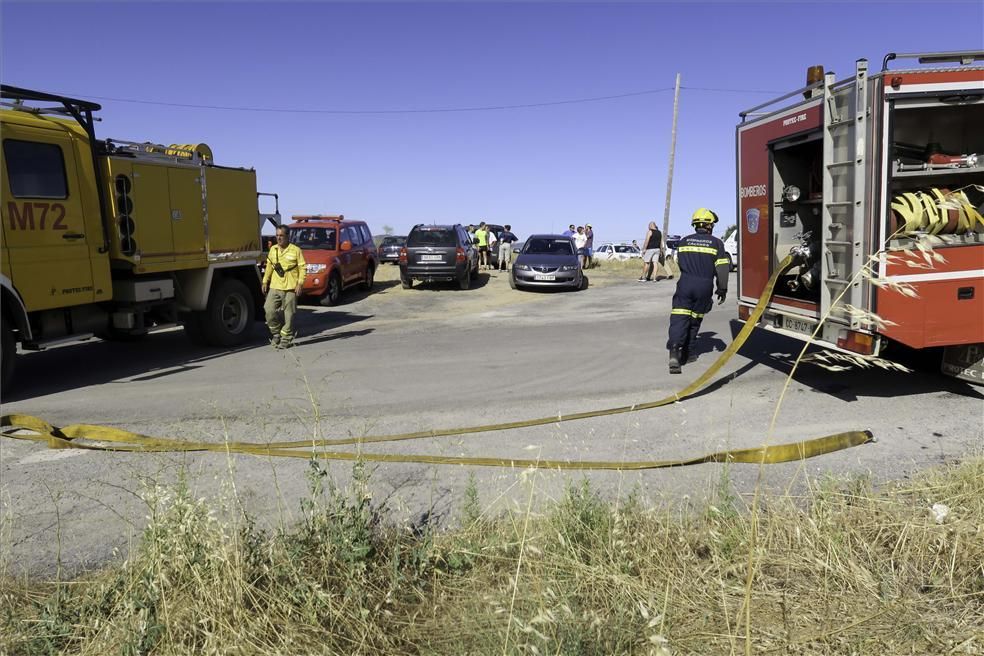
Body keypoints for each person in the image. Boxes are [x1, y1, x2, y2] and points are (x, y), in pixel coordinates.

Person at [666, 208, 730, 374]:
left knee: (679, 318)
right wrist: (722, 288)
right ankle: (689, 353)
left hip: (685, 283)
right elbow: (722, 268)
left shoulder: (684, 242)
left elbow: (680, 263)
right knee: (694, 320)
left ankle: (674, 350)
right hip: (704, 286)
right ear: (709, 226)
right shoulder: (716, 243)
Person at [262, 225, 306, 349]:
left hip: (291, 288)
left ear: (288, 236)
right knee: (268, 310)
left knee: (289, 315)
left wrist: (300, 283)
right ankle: (276, 334)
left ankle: (286, 338)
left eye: (281, 236)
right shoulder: (273, 250)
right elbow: (269, 267)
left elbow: (302, 268)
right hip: (275, 286)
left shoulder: (296, 250)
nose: (279, 238)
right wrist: (265, 281)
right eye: (277, 235)